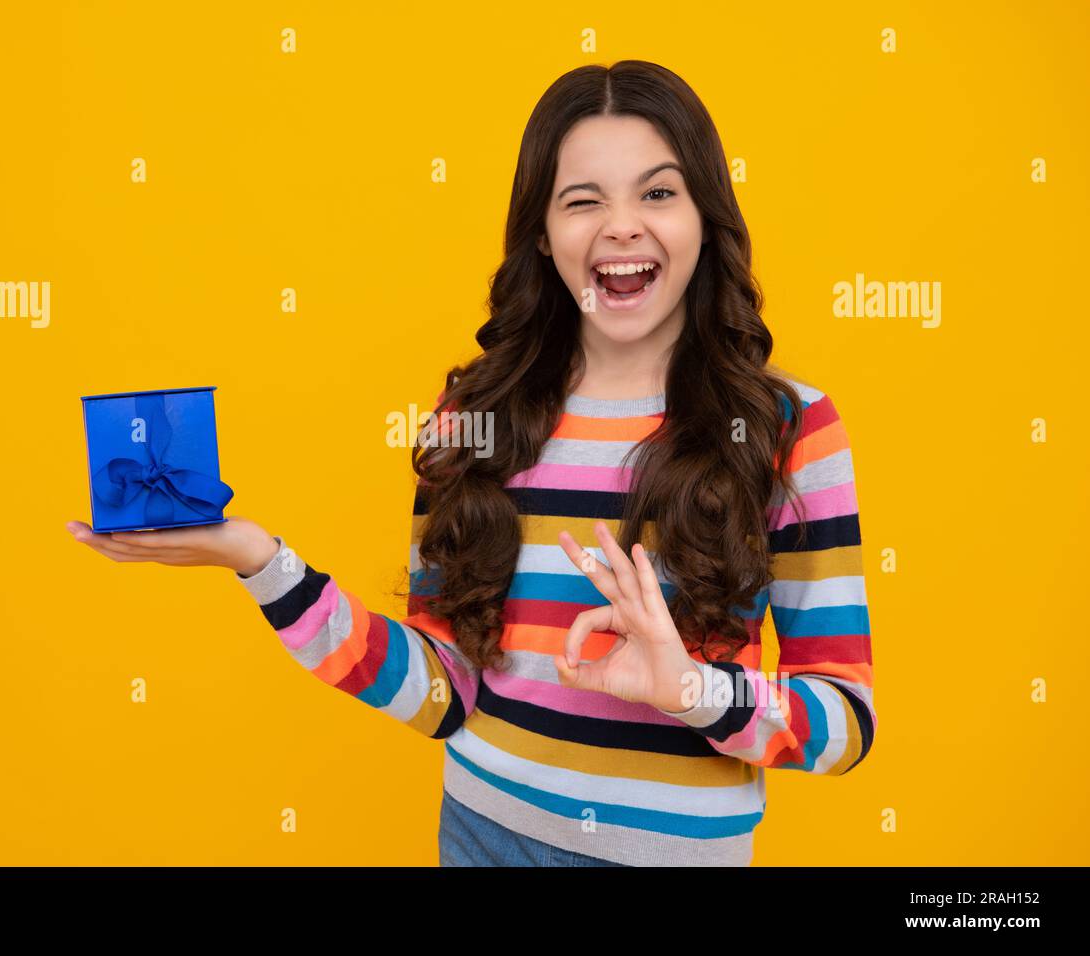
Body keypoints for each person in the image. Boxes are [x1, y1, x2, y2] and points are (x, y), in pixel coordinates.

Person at [66, 59, 875, 867]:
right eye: (583, 200)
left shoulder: (785, 429)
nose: (621, 225)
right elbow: (441, 692)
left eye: (658, 193)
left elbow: (844, 722)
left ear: (705, 217)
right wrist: (261, 564)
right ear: (542, 235)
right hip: (482, 837)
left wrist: (692, 691)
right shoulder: (475, 423)